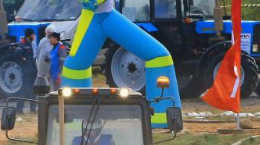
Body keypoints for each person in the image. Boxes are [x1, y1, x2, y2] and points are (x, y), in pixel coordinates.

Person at [59, 0, 182, 128]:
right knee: (159, 55)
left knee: (74, 67)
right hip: (96, 17)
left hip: (96, 17)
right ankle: (73, 120)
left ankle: (72, 121)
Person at [16, 28, 38, 114]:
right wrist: (23, 59)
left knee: (33, 89)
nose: (34, 36)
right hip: (26, 70)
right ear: (30, 35)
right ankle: (19, 108)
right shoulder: (22, 43)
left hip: (32, 69)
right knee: (24, 89)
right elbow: (17, 54)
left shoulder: (31, 43)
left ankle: (33, 108)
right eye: (33, 34)